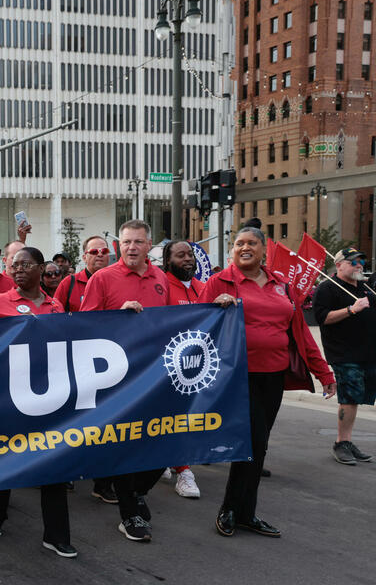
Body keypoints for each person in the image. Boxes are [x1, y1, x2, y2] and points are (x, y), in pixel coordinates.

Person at [200, 226, 335, 538]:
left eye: (251, 243)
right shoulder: (219, 282)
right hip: (235, 376)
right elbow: (197, 327)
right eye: (238, 244)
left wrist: (324, 373)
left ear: (264, 251)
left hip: (272, 376)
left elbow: (300, 334)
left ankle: (246, 513)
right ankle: (231, 510)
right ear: (232, 250)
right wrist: (214, 310)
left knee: (258, 447)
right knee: (252, 442)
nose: (244, 248)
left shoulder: (282, 285)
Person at [0, 246, 77, 558]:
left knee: (54, 463)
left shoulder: (56, 306)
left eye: (25, 264)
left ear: (40, 268)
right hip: (10, 398)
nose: (17, 270)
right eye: (13, 265)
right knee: (7, 457)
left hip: (49, 399)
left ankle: (57, 534)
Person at [80, 219, 169, 543]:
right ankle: (129, 513)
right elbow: (85, 327)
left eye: (138, 242)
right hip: (117, 378)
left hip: (154, 376)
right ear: (119, 245)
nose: (132, 247)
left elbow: (174, 321)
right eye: (127, 242)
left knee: (164, 442)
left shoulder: (161, 278)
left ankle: (136, 491)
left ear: (149, 246)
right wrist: (119, 314)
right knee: (124, 443)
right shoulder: (102, 278)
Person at [53, 235, 117, 504]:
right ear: (84, 256)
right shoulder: (68, 284)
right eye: (94, 251)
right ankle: (66, 469)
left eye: (104, 250)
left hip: (109, 363)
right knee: (73, 420)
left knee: (108, 422)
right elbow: (54, 316)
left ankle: (102, 483)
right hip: (75, 362)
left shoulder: (115, 279)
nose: (100, 254)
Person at [306, 247, 374, 465]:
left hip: (368, 352)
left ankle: (347, 440)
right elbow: (322, 317)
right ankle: (340, 443)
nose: (359, 265)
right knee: (350, 398)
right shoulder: (328, 287)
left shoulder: (365, 287)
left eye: (361, 261)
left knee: (358, 398)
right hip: (344, 353)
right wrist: (351, 310)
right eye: (353, 261)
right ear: (340, 264)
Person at [159, 240, 204, 499]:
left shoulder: (204, 287)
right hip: (169, 367)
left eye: (190, 254)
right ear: (168, 261)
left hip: (198, 367)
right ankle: (184, 471)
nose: (187, 259)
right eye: (180, 255)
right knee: (175, 420)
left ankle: (170, 460)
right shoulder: (161, 285)